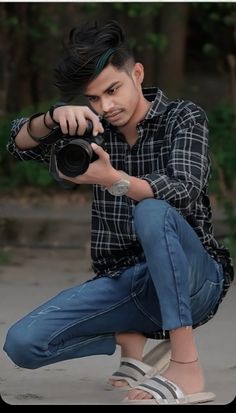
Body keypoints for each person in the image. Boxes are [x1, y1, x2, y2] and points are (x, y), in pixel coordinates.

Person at [3, 20, 234, 404]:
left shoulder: (183, 117)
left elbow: (185, 189)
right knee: (23, 344)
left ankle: (186, 366)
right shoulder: (93, 130)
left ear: (137, 74)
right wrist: (53, 117)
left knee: (152, 211)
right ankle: (129, 337)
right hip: (126, 285)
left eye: (113, 90)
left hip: (196, 281)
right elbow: (17, 144)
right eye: (93, 98)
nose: (106, 107)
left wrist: (114, 179)